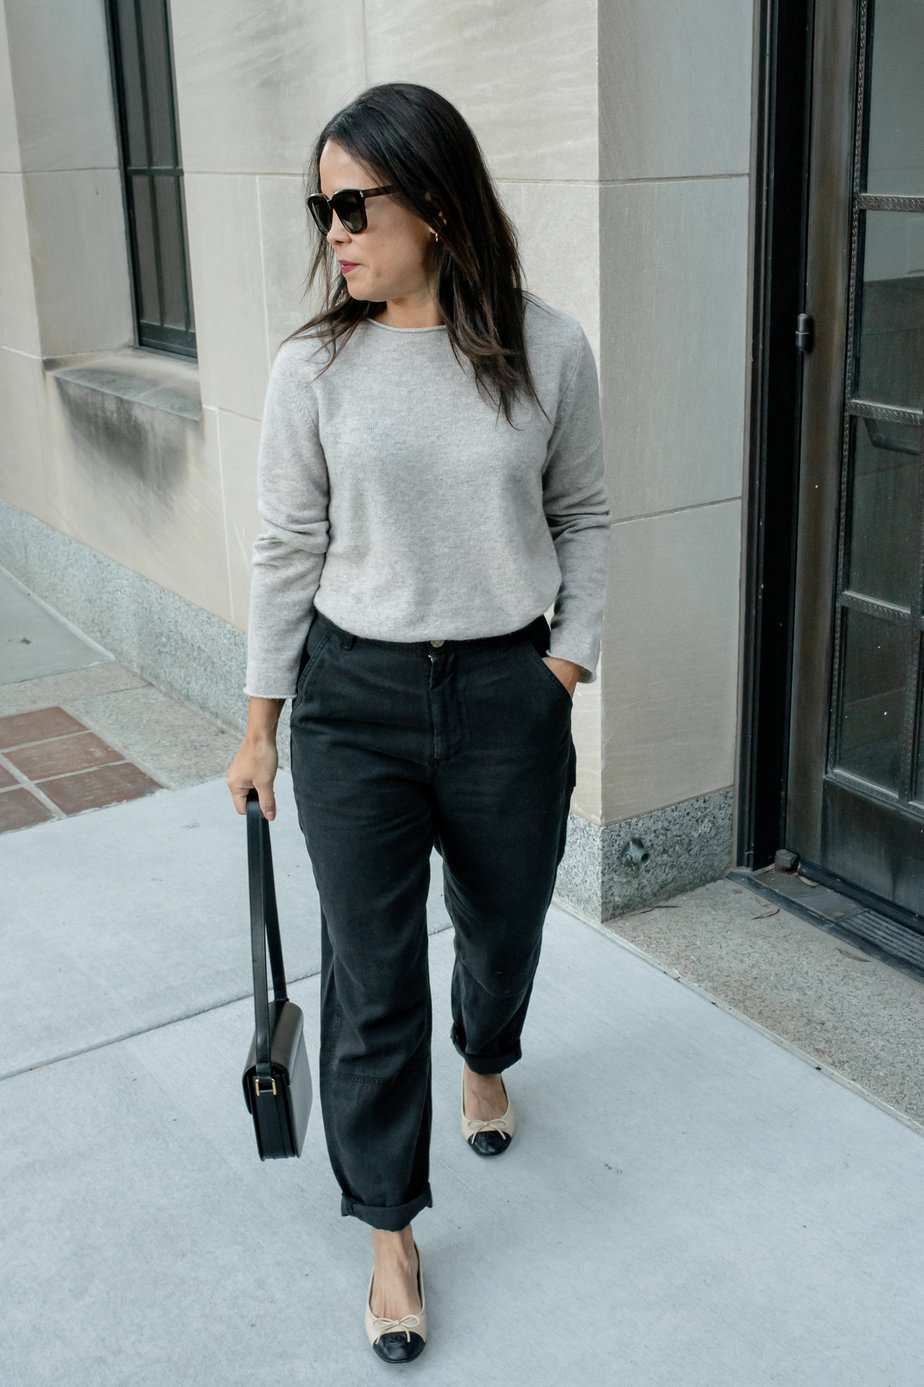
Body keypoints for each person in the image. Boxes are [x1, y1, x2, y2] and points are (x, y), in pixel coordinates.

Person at [226, 81, 611, 1364]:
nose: (333, 230)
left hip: (508, 694)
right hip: (355, 703)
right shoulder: (315, 365)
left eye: (354, 204)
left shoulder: (548, 349)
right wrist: (260, 723)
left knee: (501, 932)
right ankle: (391, 1227)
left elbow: (587, 519)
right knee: (371, 979)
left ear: (434, 203)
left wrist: (562, 665)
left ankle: (489, 1048)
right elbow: (287, 546)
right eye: (320, 208)